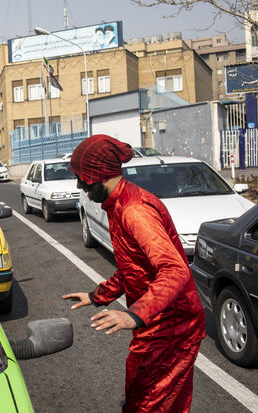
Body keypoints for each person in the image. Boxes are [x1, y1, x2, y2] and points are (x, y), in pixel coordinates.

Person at [62, 134, 205, 413]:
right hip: (158, 320)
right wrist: (97, 296)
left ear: (100, 174)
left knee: (146, 403)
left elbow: (175, 269)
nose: (80, 186)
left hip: (172, 324)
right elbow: (133, 268)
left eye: (83, 178)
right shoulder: (118, 205)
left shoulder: (134, 210)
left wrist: (134, 314)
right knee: (161, 401)